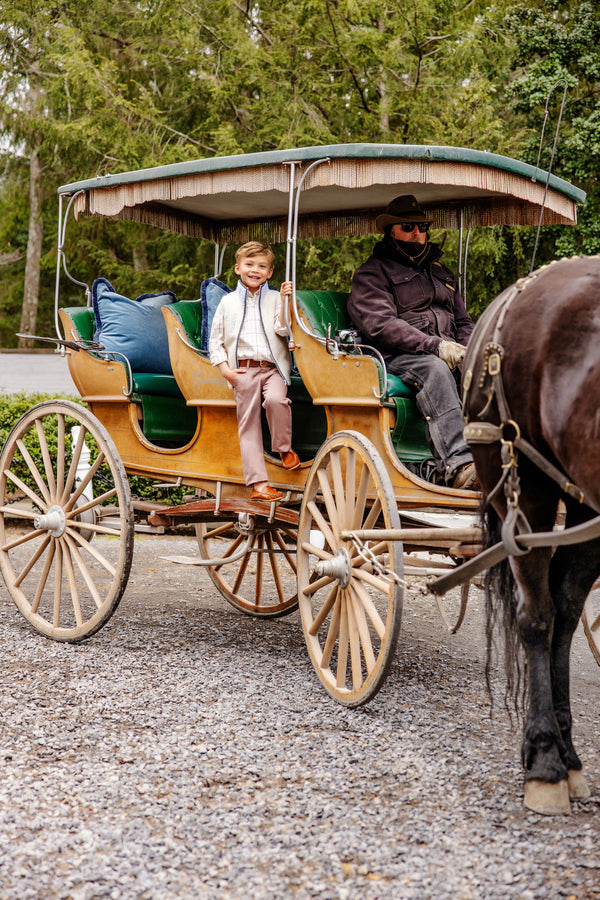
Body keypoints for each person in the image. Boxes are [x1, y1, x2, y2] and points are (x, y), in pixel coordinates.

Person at [347, 195, 478, 489]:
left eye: (421, 226)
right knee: (435, 369)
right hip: (396, 355)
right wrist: (434, 345)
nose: (416, 232)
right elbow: (379, 324)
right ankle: (458, 465)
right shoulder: (372, 273)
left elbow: (463, 321)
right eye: (407, 226)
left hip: (444, 351)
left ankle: (494, 456)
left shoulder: (440, 272)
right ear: (391, 231)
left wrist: (468, 350)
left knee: (485, 370)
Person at [209, 241, 300, 502]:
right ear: (238, 268)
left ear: (270, 273)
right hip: (243, 371)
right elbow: (215, 341)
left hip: (272, 369)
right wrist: (226, 371)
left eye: (262, 266)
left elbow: (283, 330)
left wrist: (285, 302)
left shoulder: (274, 298)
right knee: (248, 425)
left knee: (276, 401)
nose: (255, 270)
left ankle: (283, 449)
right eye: (249, 265)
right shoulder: (228, 303)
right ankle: (259, 484)